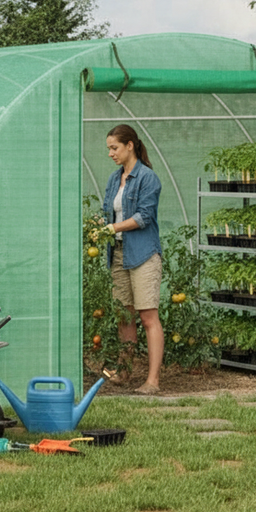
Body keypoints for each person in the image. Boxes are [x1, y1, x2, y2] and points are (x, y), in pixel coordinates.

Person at [101, 124, 164, 395]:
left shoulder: (148, 178)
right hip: (118, 253)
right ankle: (124, 373)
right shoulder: (114, 179)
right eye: (109, 149)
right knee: (124, 316)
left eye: (114, 148)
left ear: (130, 145)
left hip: (143, 254)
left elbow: (143, 217)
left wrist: (112, 228)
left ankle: (153, 381)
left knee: (148, 316)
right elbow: (108, 212)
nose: (110, 153)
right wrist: (99, 225)